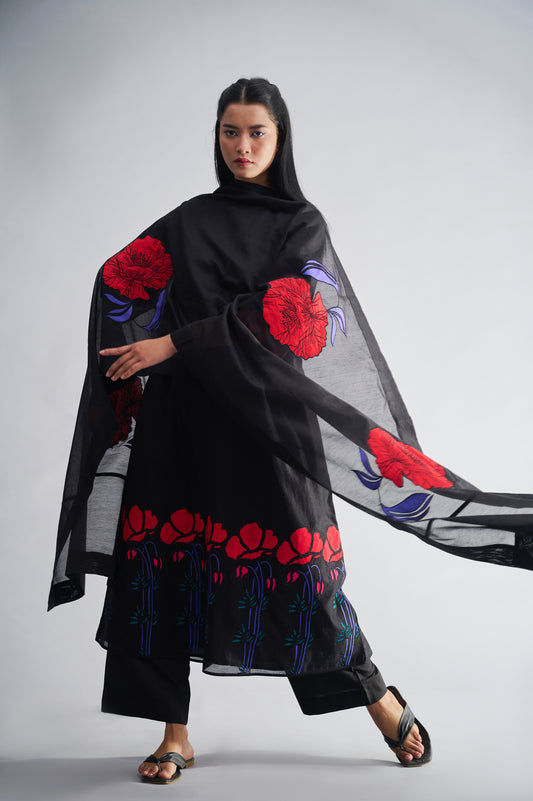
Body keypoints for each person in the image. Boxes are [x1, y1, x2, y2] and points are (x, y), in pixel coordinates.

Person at [49, 77, 533, 785]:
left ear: (280, 139)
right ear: (216, 136)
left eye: (256, 133)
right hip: (180, 421)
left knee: (304, 572)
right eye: (230, 132)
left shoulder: (299, 224)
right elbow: (119, 276)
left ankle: (377, 696)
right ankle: (174, 733)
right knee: (162, 568)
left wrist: (170, 342)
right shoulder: (188, 220)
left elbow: (283, 316)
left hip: (265, 424)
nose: (242, 146)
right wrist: (136, 343)